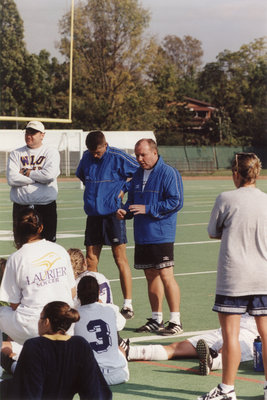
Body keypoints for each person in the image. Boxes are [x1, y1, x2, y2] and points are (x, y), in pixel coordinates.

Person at [197, 153, 267, 400]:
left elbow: (212, 231)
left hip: (234, 276)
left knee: (230, 335)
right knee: (266, 332)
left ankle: (227, 389)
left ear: (237, 174)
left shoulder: (225, 198)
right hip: (263, 275)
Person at [116, 139, 184, 335]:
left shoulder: (169, 173)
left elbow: (176, 201)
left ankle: (175, 320)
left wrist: (148, 209)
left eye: (143, 155)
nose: (139, 159)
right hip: (142, 234)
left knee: (166, 275)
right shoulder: (137, 174)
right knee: (150, 275)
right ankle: (156, 319)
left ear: (154, 153)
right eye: (137, 155)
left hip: (161, 233)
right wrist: (126, 212)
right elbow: (134, 202)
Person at [76, 130, 139, 319]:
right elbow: (81, 175)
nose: (95, 155)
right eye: (92, 152)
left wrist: (123, 188)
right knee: (91, 259)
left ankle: (127, 304)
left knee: (120, 258)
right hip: (93, 216)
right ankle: (91, 303)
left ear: (105, 145)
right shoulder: (86, 157)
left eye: (98, 152)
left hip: (113, 215)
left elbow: (140, 172)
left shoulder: (118, 156)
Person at [0, 301, 112, 400]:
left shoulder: (34, 346)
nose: (38, 322)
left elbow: (27, 391)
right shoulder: (80, 345)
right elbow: (95, 391)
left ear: (47, 322)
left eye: (40, 318)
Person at [0, 208, 76, 345]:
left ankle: (9, 356)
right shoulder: (59, 250)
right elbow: (72, 292)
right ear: (40, 228)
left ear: (16, 230)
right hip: (65, 324)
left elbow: (14, 305)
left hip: (33, 328)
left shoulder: (16, 258)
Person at [124, 313, 258, 375]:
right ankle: (128, 351)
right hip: (224, 330)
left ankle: (211, 362)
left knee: (226, 350)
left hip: (251, 335)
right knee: (177, 347)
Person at [6, 120, 60, 242]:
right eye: (27, 132)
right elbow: (12, 178)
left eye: (33, 133)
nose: (29, 136)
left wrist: (27, 172)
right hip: (21, 207)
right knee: (21, 243)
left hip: (45, 207)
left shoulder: (50, 152)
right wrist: (38, 178)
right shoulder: (16, 153)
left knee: (48, 244)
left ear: (42, 135)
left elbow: (49, 176)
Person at [74, 275, 129, 385]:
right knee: (120, 348)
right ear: (98, 293)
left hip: (88, 378)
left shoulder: (74, 316)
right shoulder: (111, 309)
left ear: (78, 295)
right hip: (119, 375)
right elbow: (121, 324)